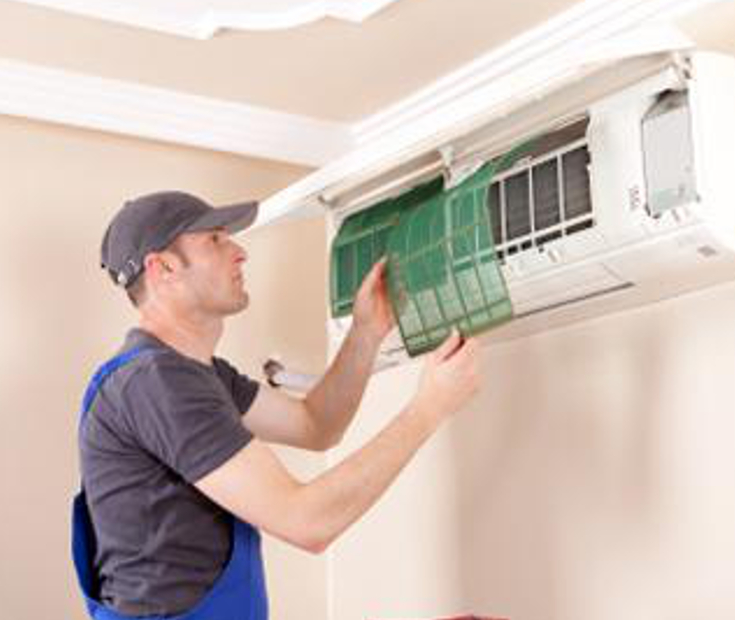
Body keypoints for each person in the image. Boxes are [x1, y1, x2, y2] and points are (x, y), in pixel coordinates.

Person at [73, 190, 479, 619]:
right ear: (164, 268)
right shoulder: (156, 382)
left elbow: (316, 425)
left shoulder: (200, 376)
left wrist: (365, 332)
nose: (240, 252)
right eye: (215, 240)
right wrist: (428, 409)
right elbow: (307, 521)